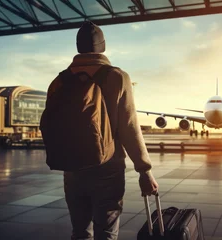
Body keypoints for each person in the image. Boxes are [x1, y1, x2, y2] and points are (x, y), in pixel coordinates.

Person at [45, 21, 159, 240]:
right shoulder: (117, 77)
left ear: (78, 47)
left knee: (80, 232)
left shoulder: (59, 81)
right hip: (108, 167)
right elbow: (129, 126)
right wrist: (144, 170)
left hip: (72, 168)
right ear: (102, 47)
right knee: (106, 233)